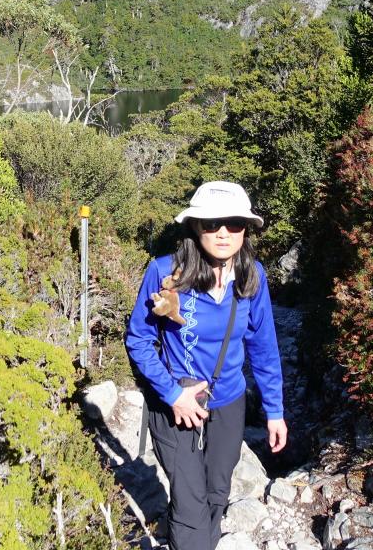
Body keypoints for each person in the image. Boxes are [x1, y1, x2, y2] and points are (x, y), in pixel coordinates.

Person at [125, 180, 286, 550]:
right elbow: (139, 339)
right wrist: (171, 393)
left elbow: (263, 347)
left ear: (246, 230)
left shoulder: (251, 277)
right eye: (212, 223)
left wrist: (274, 411)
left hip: (228, 400)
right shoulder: (167, 273)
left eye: (234, 224)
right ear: (196, 227)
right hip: (174, 405)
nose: (224, 233)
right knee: (191, 504)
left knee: (217, 493)